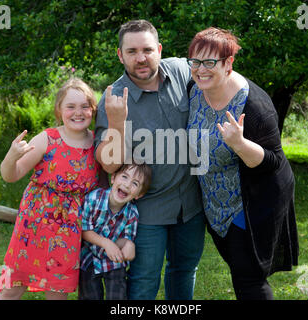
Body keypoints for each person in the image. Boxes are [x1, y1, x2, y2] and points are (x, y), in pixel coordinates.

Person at [94, 19, 206, 300]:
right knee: (144, 281)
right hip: (146, 210)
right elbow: (108, 165)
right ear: (120, 55)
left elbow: (220, 76)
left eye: (147, 49)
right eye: (131, 51)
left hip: (190, 205)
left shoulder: (182, 71)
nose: (141, 58)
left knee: (184, 270)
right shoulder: (113, 98)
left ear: (159, 49)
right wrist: (118, 124)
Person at [186, 27, 299, 300]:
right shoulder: (194, 89)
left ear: (228, 64)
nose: (201, 69)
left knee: (249, 278)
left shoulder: (255, 105)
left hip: (252, 200)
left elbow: (272, 161)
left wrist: (240, 143)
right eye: (196, 62)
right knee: (239, 269)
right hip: (215, 201)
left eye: (210, 62)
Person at [0, 78, 105, 300]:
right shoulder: (48, 139)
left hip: (69, 232)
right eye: (71, 107)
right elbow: (11, 175)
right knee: (13, 287)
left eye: (85, 106)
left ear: (93, 110)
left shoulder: (97, 143)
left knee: (58, 291)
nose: (78, 112)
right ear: (59, 110)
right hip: (33, 226)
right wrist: (12, 155)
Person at [78, 162, 152, 300]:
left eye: (135, 183)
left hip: (113, 260)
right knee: (90, 296)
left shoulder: (132, 213)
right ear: (113, 178)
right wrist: (106, 243)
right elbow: (84, 230)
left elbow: (125, 237)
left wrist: (129, 244)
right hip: (89, 257)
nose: (128, 185)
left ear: (139, 195)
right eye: (124, 177)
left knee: (117, 295)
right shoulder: (93, 199)